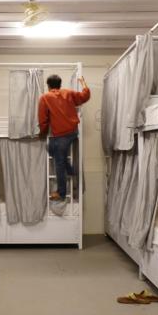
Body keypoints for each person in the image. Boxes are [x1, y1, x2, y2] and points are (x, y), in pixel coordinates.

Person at [38, 74, 90, 215]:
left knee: (59, 162)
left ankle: (61, 192)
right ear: (60, 85)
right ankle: (71, 171)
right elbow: (85, 96)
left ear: (48, 86)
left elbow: (43, 119)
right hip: (72, 132)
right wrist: (83, 83)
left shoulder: (45, 97)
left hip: (61, 135)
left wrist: (42, 133)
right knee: (51, 148)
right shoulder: (69, 93)